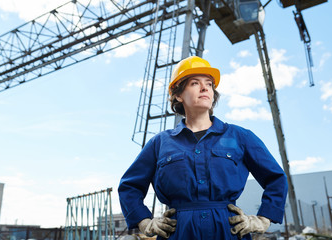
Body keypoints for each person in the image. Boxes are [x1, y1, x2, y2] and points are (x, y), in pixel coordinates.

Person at [118, 56, 288, 240]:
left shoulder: (240, 137)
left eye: (209, 83)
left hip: (229, 230)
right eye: (194, 83)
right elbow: (129, 186)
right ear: (178, 95)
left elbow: (276, 178)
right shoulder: (160, 143)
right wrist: (144, 221)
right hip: (177, 232)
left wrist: (264, 218)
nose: (205, 87)